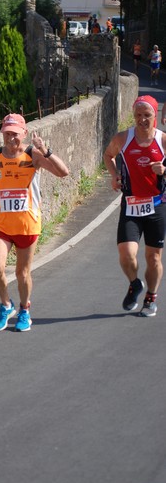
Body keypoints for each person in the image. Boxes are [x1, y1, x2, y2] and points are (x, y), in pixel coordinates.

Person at [0, 113, 69, 332]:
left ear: (24, 133)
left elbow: (63, 173)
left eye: (15, 134)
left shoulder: (32, 155)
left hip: (27, 224)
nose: (11, 138)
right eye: (7, 133)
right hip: (2, 225)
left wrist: (46, 151)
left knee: (22, 273)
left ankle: (25, 309)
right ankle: (6, 305)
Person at [103, 95, 166, 317]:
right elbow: (108, 155)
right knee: (127, 253)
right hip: (131, 204)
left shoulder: (163, 140)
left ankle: (151, 297)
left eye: (147, 115)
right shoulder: (123, 138)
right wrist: (114, 175)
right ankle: (134, 283)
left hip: (157, 205)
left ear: (154, 116)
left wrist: (164, 171)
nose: (142, 120)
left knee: (154, 257)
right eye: (138, 115)